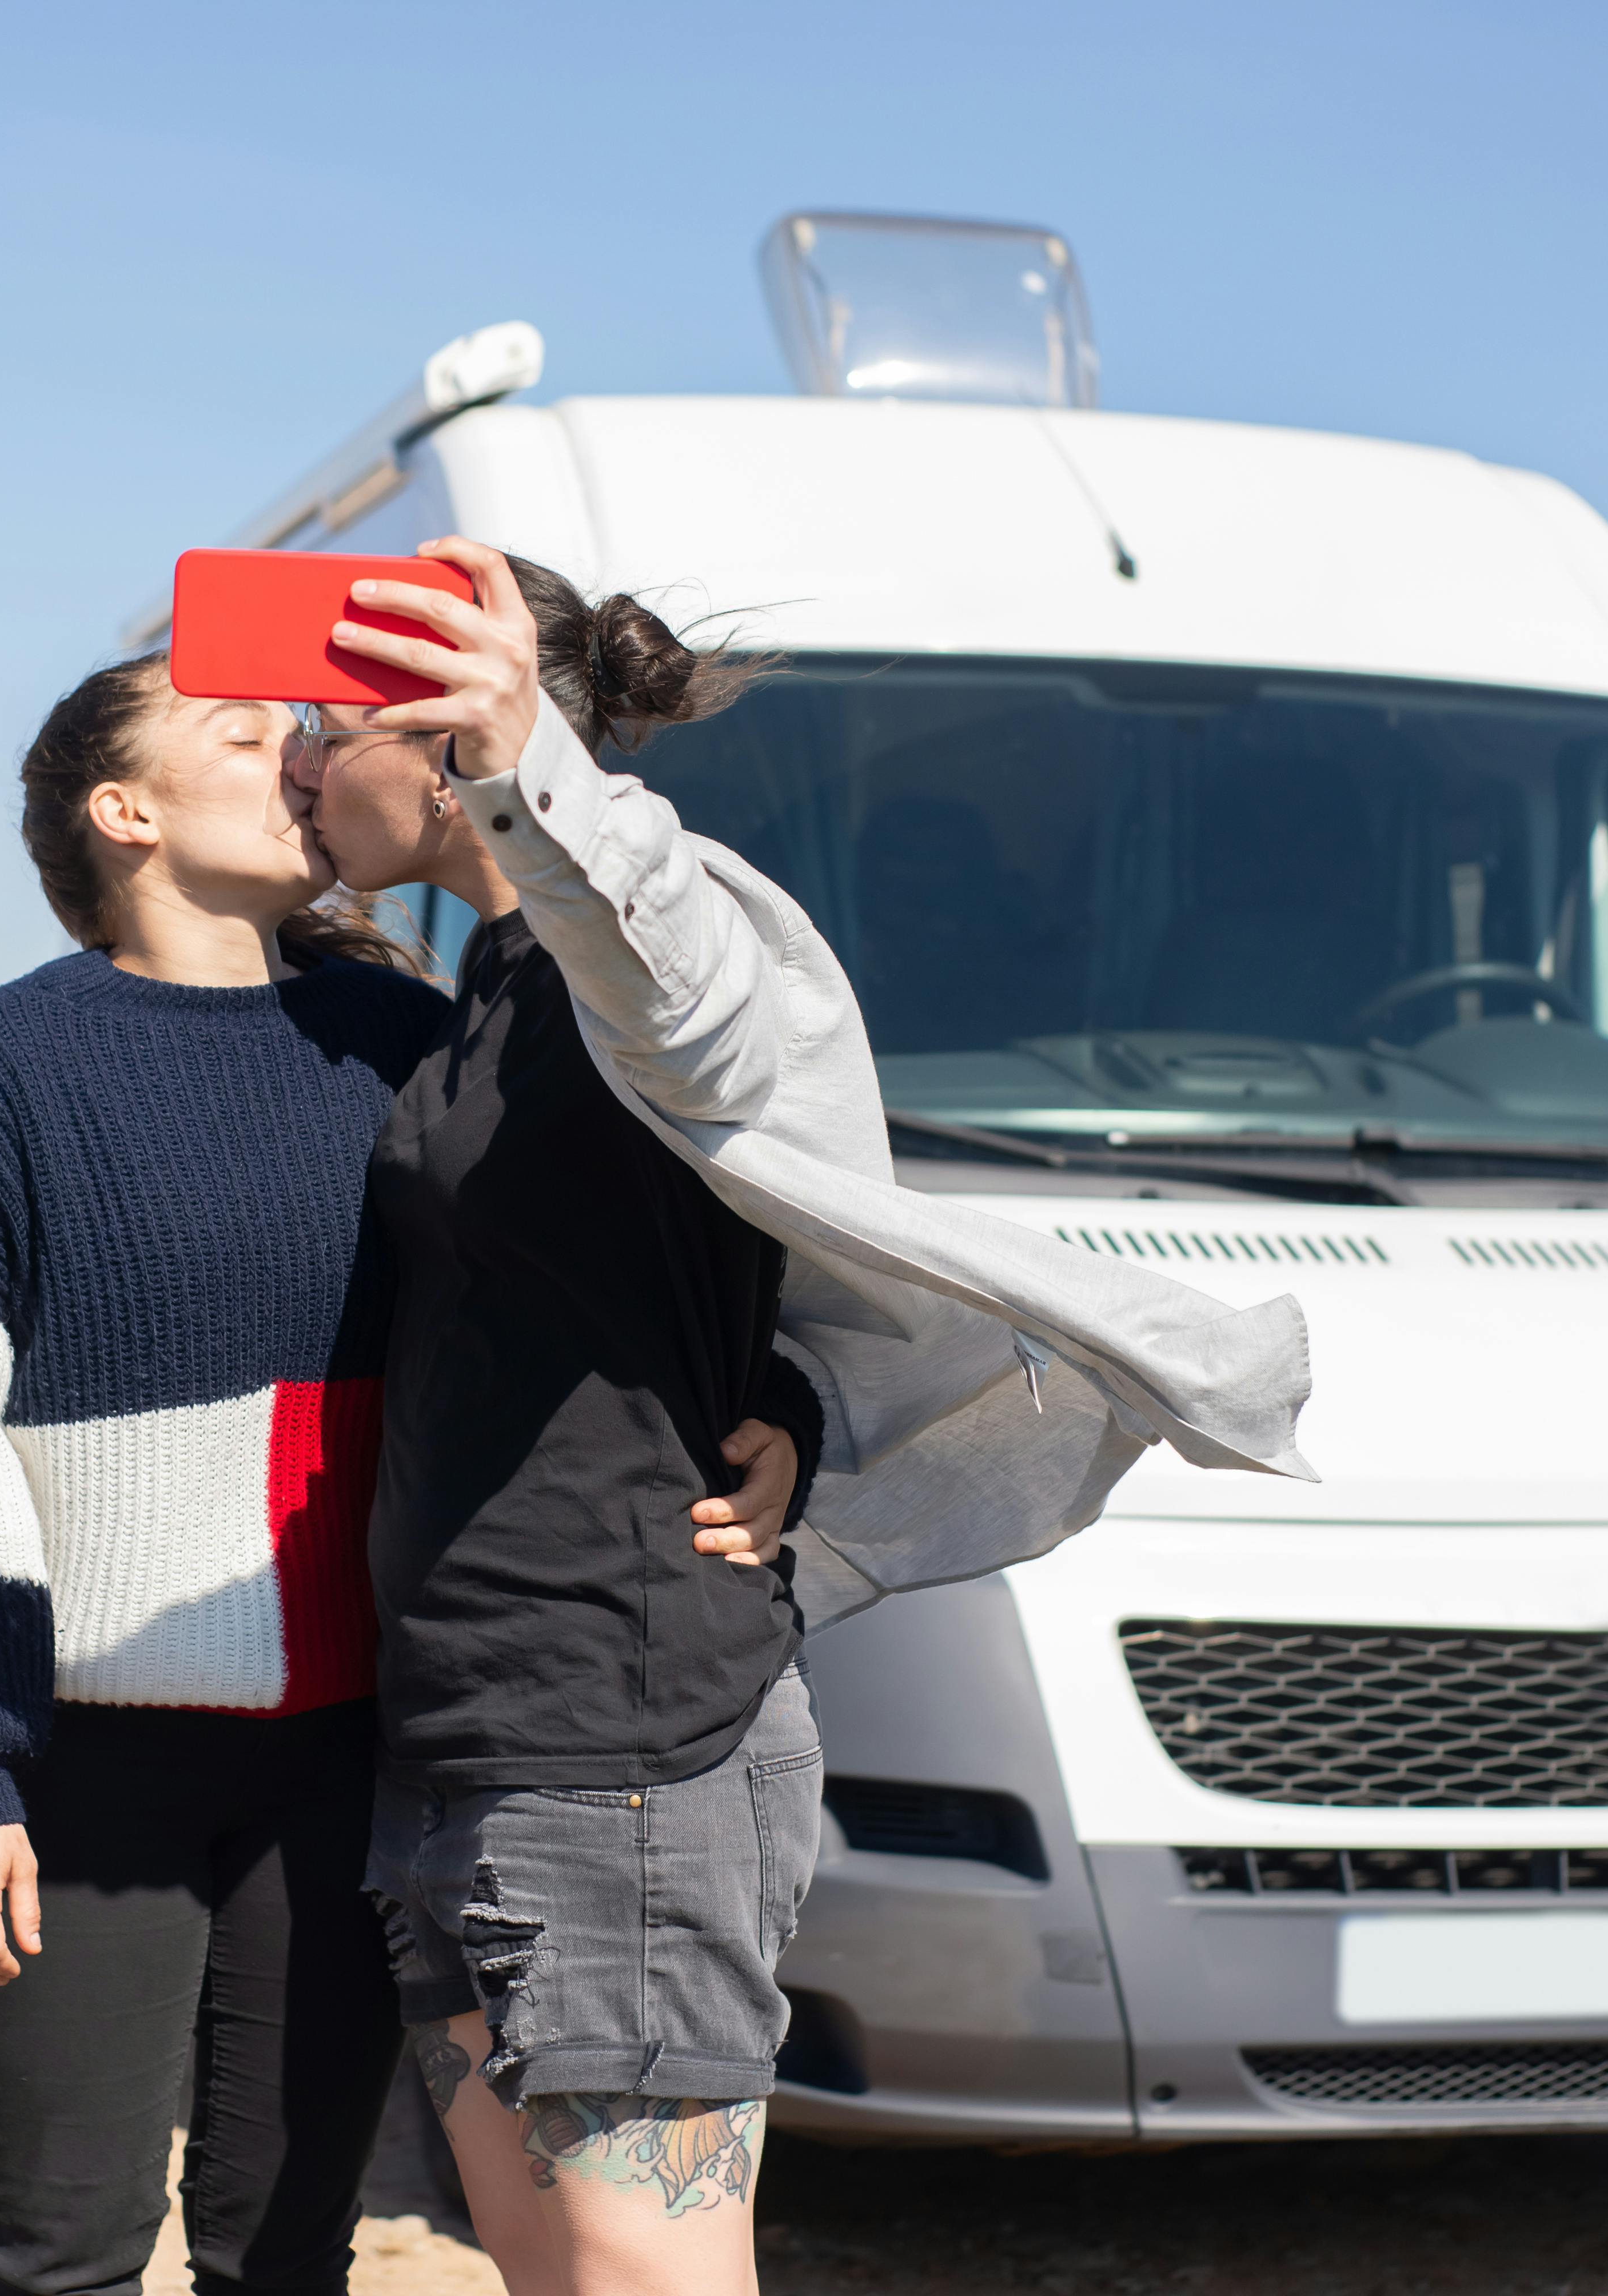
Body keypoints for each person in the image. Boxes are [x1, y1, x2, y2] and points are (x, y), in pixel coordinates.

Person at [289, 540, 1318, 2296]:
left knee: (645, 2271)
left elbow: (690, 1025)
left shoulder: (673, 920)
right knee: (547, 2265)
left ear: (456, 730)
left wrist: (528, 762)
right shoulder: (488, 997)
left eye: (324, 728)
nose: (297, 764)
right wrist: (778, 1390)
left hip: (627, 1729)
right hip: (467, 1722)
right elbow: (655, 1265)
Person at [0, 660, 815, 2296]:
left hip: (358, 1766)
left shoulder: (401, 1039)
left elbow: (586, 1275)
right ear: (124, 814)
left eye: (300, 733)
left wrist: (777, 1396)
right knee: (59, 2247)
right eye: (239, 736)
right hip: (90, 1766)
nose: (298, 757)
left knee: (287, 2245)